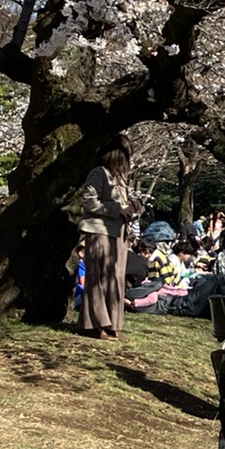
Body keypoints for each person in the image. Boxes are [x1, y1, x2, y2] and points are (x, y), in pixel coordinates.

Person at [77, 139, 139, 338]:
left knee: (115, 278)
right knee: (98, 277)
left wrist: (133, 207)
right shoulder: (98, 173)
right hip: (99, 231)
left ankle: (113, 322)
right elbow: (89, 202)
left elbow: (124, 204)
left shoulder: (120, 178)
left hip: (119, 234)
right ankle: (95, 324)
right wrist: (116, 209)